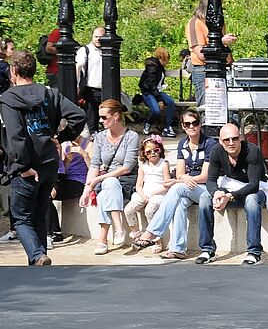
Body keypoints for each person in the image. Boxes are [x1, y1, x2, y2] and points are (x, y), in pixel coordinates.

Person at [0, 50, 86, 266]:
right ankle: (39, 264)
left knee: (21, 218)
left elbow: (16, 136)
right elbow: (79, 115)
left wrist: (23, 166)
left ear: (13, 71)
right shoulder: (49, 93)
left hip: (27, 166)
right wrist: (60, 137)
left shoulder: (7, 100)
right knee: (39, 214)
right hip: (49, 162)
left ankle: (37, 255)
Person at [133, 110, 215, 262]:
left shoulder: (210, 144)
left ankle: (152, 232)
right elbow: (180, 174)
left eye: (195, 123)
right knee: (178, 203)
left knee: (176, 188)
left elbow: (205, 176)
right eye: (187, 124)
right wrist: (183, 178)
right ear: (183, 126)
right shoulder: (182, 144)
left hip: (205, 188)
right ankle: (178, 249)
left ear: (200, 125)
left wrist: (181, 180)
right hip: (188, 187)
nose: (191, 127)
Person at [83, 99, 140, 255]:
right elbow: (95, 164)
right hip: (107, 181)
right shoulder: (100, 137)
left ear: (116, 116)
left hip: (126, 180)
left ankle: (103, 239)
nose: (101, 121)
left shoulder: (131, 136)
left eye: (104, 117)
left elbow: (127, 167)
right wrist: (87, 189)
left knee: (106, 190)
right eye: (100, 117)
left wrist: (98, 179)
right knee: (108, 185)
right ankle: (118, 228)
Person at [206, 123, 268, 265]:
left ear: (241, 138)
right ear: (220, 141)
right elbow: (210, 180)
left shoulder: (252, 151)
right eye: (226, 140)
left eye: (234, 138)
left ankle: (254, 252)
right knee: (204, 197)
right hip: (230, 189)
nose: (231, 143)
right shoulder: (216, 151)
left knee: (252, 200)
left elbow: (254, 185)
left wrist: (229, 196)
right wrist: (216, 193)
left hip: (256, 191)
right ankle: (207, 249)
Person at [185, 0, 236, 105]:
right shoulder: (194, 23)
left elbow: (224, 50)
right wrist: (221, 41)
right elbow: (201, 54)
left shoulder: (219, 23)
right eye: (219, 6)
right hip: (203, 70)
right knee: (207, 106)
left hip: (223, 68)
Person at [124, 135, 176, 238]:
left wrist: (152, 193)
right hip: (144, 193)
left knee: (149, 211)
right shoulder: (143, 166)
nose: (153, 153)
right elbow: (138, 185)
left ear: (160, 150)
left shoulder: (163, 164)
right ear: (144, 153)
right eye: (148, 152)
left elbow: (167, 185)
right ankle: (136, 233)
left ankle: (155, 237)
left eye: (156, 150)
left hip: (158, 194)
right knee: (128, 209)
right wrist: (143, 196)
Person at [46, 130, 90, 246]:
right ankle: (54, 232)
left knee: (46, 196)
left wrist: (84, 154)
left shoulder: (88, 144)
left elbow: (93, 168)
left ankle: (52, 233)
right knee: (44, 194)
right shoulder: (66, 145)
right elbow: (63, 170)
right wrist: (67, 161)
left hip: (79, 181)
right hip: (65, 179)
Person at [138, 47, 177, 137]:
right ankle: (148, 123)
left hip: (157, 91)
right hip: (148, 92)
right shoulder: (153, 68)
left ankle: (168, 127)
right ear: (162, 58)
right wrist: (159, 100)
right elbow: (151, 85)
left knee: (170, 102)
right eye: (166, 60)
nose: (167, 62)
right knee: (156, 110)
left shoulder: (160, 67)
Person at [75, 27, 105, 131]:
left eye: (101, 37)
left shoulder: (108, 50)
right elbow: (78, 67)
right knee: (92, 120)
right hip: (91, 89)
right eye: (96, 37)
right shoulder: (85, 50)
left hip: (106, 90)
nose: (98, 39)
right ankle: (92, 138)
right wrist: (76, 85)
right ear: (92, 36)